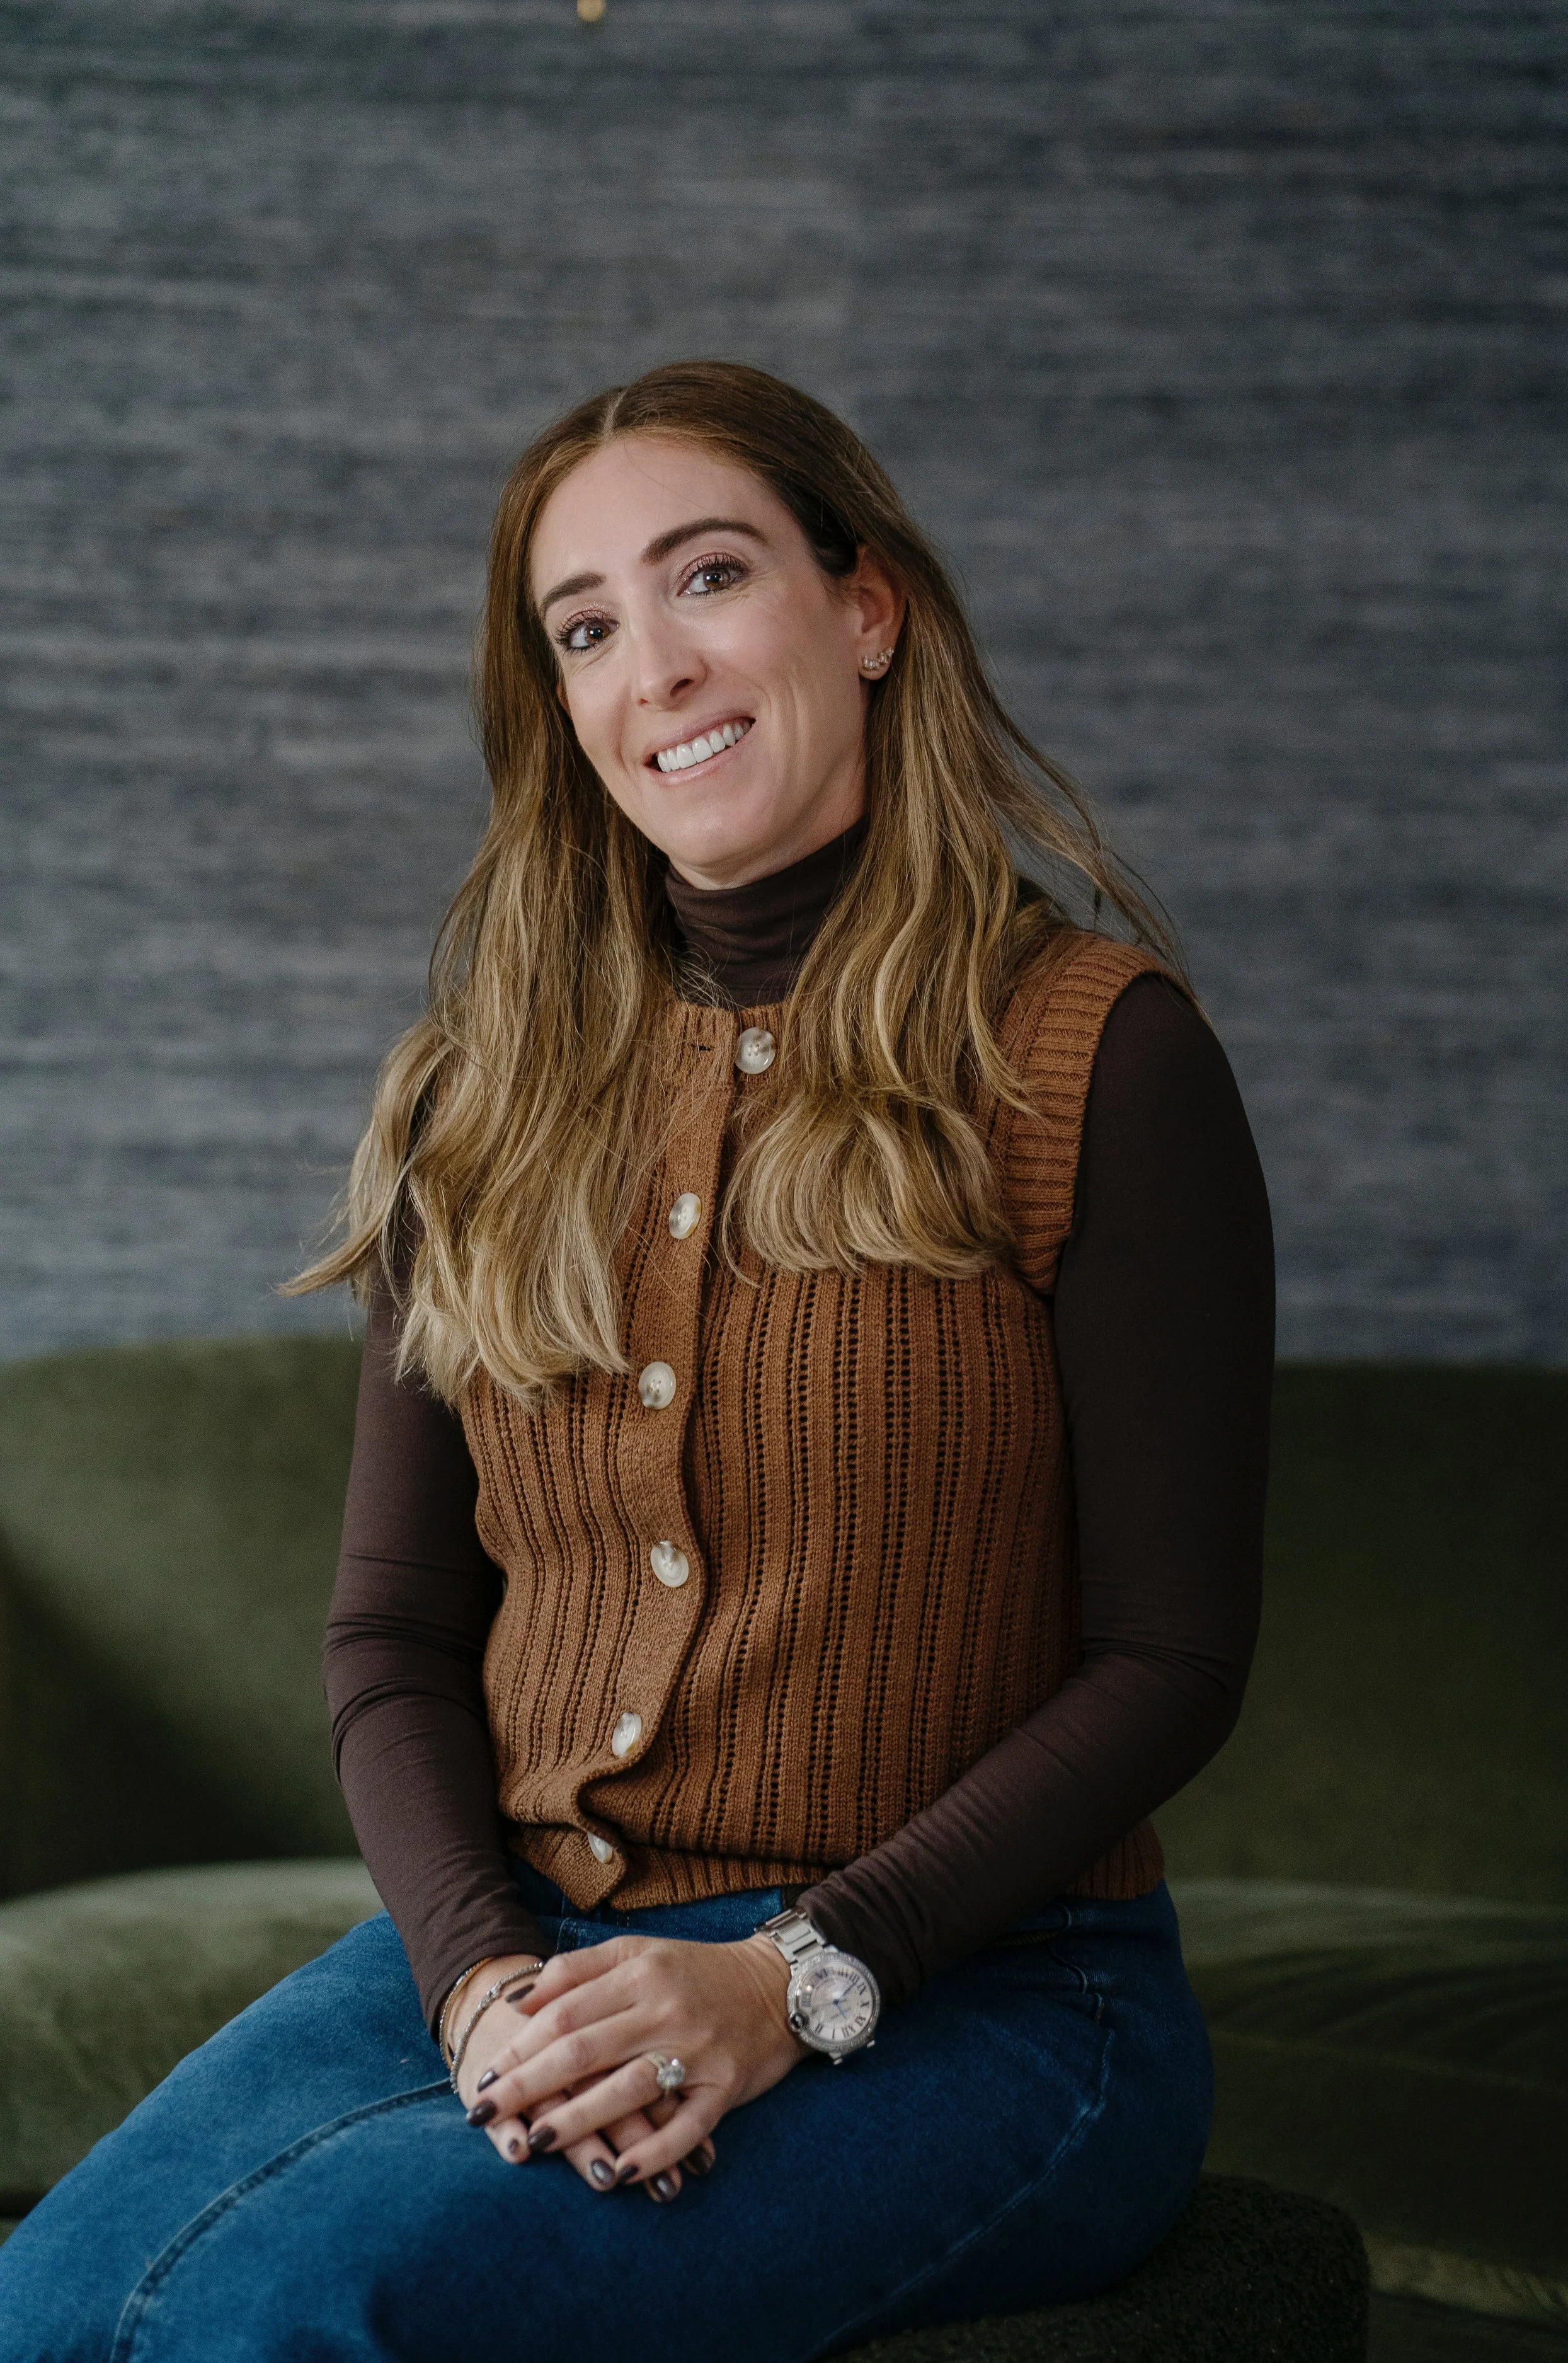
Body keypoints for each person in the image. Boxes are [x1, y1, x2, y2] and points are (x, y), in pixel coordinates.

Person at [0, 360, 1273, 2363]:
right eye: (586, 627)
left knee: (287, 2310)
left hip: (996, 2006)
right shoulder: (484, 1094)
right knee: (50, 2305)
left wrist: (787, 1980)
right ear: (559, 710)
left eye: (706, 577)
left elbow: (1170, 1659)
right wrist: (486, 1981)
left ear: (865, 613)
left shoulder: (1093, 1057)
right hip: (526, 1949)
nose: (654, 666)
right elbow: (391, 1636)